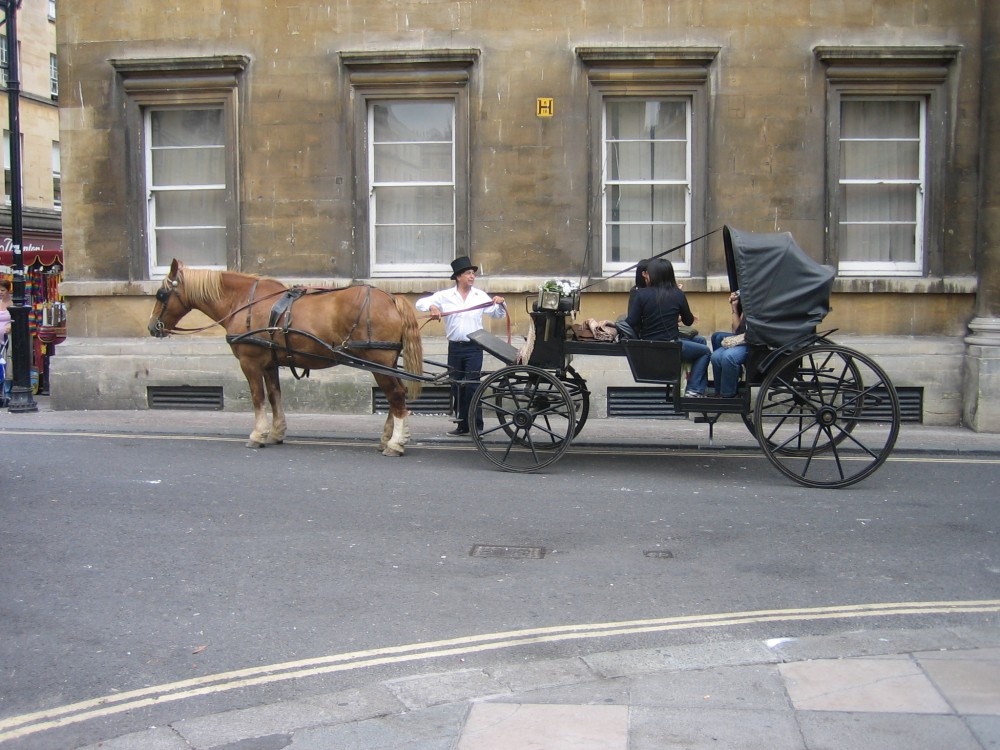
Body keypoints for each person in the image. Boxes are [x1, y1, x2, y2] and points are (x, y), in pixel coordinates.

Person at [415, 256, 506, 436]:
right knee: (457, 385)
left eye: (473, 274)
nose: (472, 277)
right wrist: (433, 306)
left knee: (472, 385)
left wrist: (501, 303)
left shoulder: (479, 295)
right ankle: (462, 425)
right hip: (455, 347)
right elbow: (420, 303)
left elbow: (498, 315)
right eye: (468, 273)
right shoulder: (445, 296)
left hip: (475, 347)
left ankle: (476, 426)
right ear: (458, 277)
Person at [623, 257, 711, 397]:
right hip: (671, 348)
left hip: (650, 346)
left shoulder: (641, 295)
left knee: (700, 341)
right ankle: (694, 389)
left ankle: (697, 385)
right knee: (705, 352)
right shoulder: (678, 294)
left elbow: (631, 321)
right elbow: (688, 322)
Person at [710, 291, 748, 398]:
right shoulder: (748, 302)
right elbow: (737, 330)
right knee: (716, 356)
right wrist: (734, 307)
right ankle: (719, 391)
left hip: (755, 343)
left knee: (728, 356)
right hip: (742, 339)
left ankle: (728, 395)